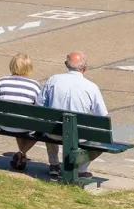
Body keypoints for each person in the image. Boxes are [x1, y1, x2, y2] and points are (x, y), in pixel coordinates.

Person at [38, 51, 107, 179]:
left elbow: (40, 104)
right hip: (79, 135)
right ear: (85, 68)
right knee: (100, 140)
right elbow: (102, 115)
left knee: (50, 123)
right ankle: (81, 169)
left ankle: (54, 164)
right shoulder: (91, 87)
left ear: (66, 64)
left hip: (53, 132)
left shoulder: (53, 80)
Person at [0, 53, 43, 172]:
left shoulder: (1, 81)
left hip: (3, 123)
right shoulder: (34, 85)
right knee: (41, 126)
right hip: (24, 126)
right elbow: (38, 106)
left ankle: (21, 155)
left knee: (14, 117)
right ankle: (21, 153)